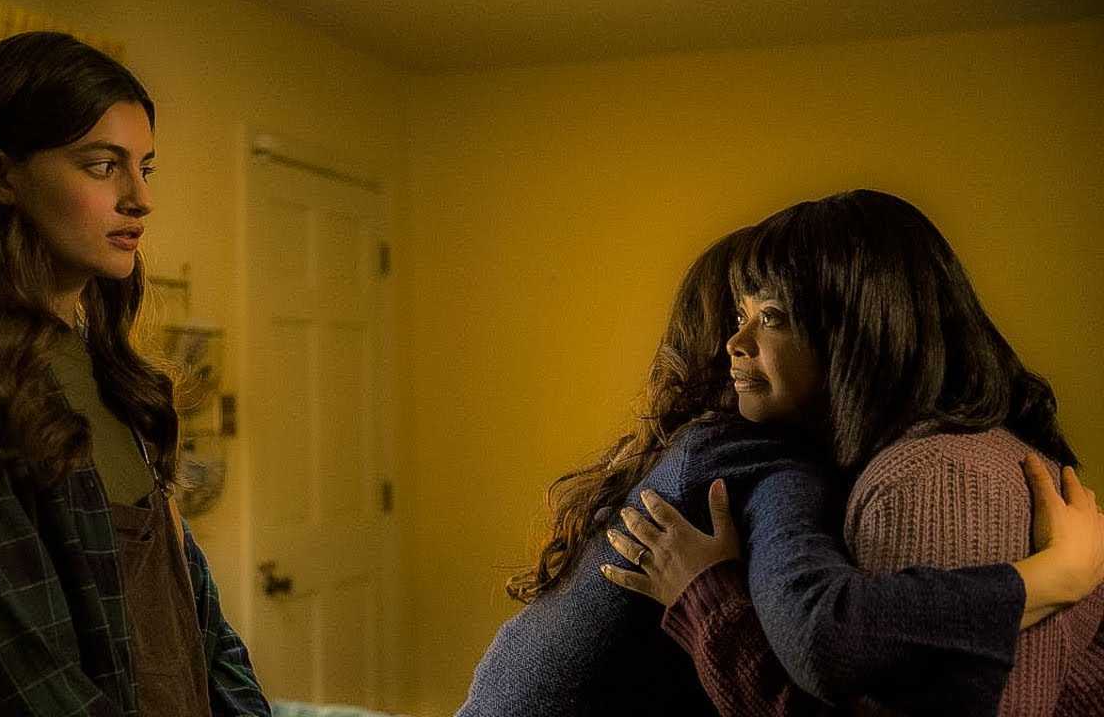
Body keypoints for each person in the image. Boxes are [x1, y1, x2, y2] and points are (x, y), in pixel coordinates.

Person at [457, 215, 1103, 716]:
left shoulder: (710, 449)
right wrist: (1054, 577)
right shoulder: (749, 458)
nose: (739, 341)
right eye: (741, 315)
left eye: (771, 315)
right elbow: (824, 630)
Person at [0, 31, 271, 716]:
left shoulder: (113, 374)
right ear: (1, 176)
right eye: (102, 166)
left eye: (145, 168)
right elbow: (21, 688)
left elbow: (204, 631)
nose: (139, 198)